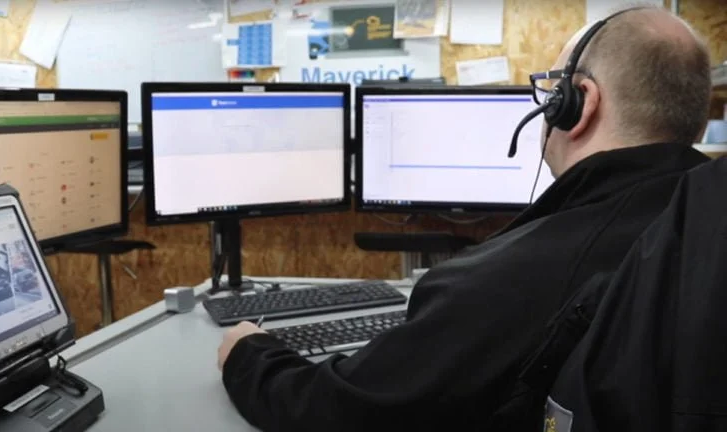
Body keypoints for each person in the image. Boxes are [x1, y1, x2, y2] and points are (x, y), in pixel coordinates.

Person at [217, 6, 713, 431]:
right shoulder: (695, 226)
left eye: (551, 92)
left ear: (578, 104)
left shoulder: (528, 271)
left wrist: (249, 355)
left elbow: (340, 409)